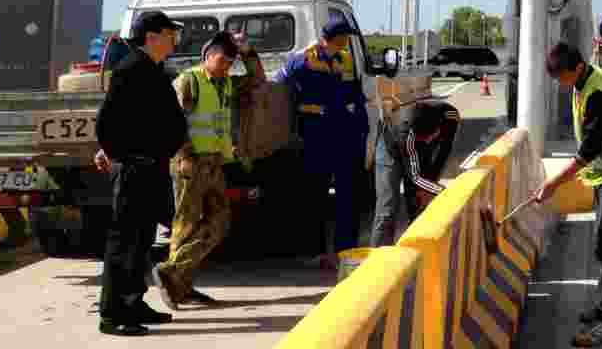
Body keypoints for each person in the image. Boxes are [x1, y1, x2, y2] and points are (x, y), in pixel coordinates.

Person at [533, 42, 602, 348]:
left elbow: (588, 152)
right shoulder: (584, 82)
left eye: (562, 77)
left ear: (577, 68)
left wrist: (553, 183)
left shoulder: (599, 94)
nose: (560, 84)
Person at [152, 30, 264, 310]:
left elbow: (258, 80)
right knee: (185, 224)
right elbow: (170, 121)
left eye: (230, 62)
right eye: (222, 60)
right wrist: (185, 155)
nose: (227, 66)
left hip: (214, 162)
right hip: (189, 162)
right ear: (207, 56)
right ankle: (178, 284)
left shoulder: (226, 83)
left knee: (219, 221)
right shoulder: (189, 81)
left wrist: (248, 51)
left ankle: (173, 274)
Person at [95, 10, 187, 337]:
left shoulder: (152, 69)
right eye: (169, 34)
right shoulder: (130, 70)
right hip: (135, 169)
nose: (174, 40)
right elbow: (106, 125)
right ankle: (112, 313)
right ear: (151, 36)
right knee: (124, 242)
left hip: (151, 167)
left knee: (142, 241)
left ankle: (134, 302)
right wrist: (127, 158)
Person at [276, 17, 369, 269]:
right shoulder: (302, 59)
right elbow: (277, 87)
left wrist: (360, 127)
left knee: (348, 195)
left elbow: (354, 95)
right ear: (336, 37)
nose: (348, 41)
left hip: (344, 135)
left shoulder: (344, 60)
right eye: (345, 36)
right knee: (314, 195)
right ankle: (315, 250)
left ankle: (345, 250)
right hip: (315, 135)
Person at [370, 99, 461, 247]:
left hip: (416, 150)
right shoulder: (408, 133)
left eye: (430, 137)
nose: (429, 140)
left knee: (418, 204)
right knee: (387, 208)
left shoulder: (450, 117)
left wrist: (431, 185)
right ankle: (378, 256)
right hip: (390, 151)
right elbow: (415, 177)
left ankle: (416, 250)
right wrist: (443, 192)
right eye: (424, 138)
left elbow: (444, 151)